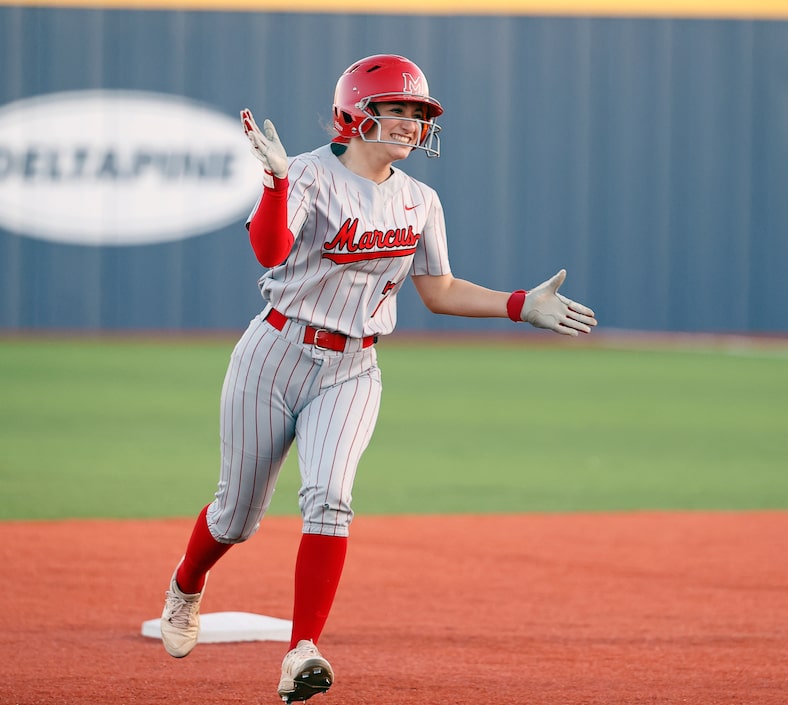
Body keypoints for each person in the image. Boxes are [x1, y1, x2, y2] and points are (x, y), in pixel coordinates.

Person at [159, 53, 597, 703]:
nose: (411, 123)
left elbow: (439, 290)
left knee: (330, 496)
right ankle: (186, 586)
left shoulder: (421, 200)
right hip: (273, 351)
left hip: (353, 367)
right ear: (355, 111)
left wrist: (517, 303)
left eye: (418, 114)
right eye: (396, 108)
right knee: (236, 515)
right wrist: (276, 183)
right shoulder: (305, 173)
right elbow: (270, 251)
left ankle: (302, 650)